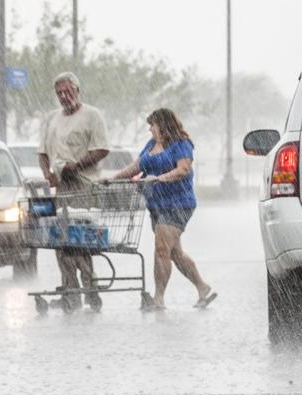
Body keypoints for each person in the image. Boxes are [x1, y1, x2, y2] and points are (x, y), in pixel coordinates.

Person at [111, 108, 216, 310]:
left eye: (152, 125)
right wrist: (112, 179)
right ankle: (203, 287)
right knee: (175, 253)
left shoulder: (181, 144)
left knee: (161, 249)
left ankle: (158, 299)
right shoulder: (151, 145)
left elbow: (183, 169)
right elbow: (136, 166)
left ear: (163, 125)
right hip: (156, 205)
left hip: (178, 203)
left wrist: (159, 178)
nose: (150, 129)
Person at [38, 72, 109, 312]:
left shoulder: (92, 115)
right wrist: (48, 173)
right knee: (61, 242)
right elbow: (42, 152)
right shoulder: (51, 120)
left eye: (68, 91)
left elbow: (101, 149)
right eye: (59, 93)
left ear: (77, 90)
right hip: (62, 188)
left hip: (83, 186)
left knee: (79, 241)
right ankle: (70, 290)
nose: (64, 97)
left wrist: (76, 165)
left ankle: (90, 289)